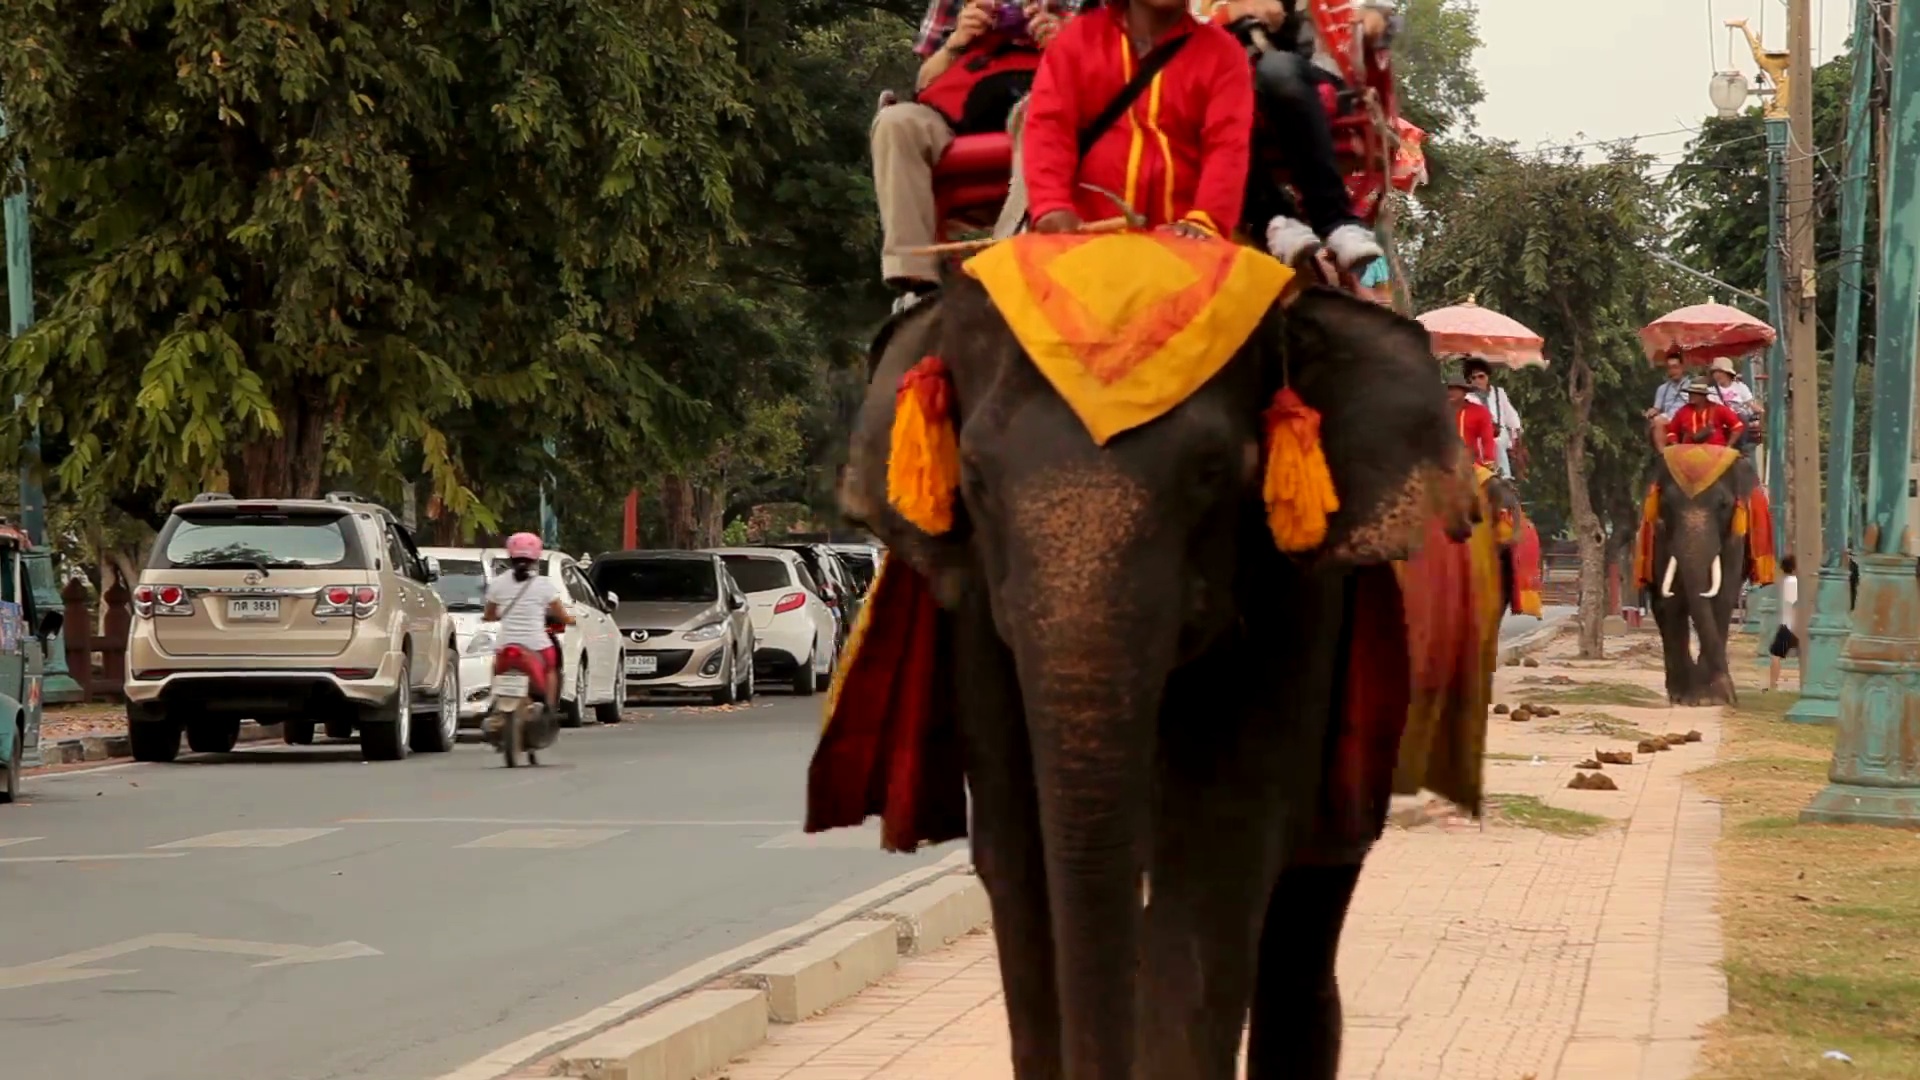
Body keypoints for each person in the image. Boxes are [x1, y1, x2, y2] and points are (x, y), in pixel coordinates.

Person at [872, 0, 1066, 304]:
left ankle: (1009, 254)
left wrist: (1068, 43)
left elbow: (1119, 72)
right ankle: (914, 271)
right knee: (896, 122)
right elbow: (926, 83)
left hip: (1046, 110)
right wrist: (955, 42)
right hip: (961, 112)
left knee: (1037, 111)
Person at [1021, 0, 1254, 239]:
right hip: (1086, 240)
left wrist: (1206, 220)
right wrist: (1052, 206)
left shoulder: (1224, 54)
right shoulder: (1077, 41)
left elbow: (1227, 148)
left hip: (1184, 245)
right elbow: (1049, 130)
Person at [1211, 0, 1388, 273]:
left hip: (1305, 76)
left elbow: (1374, 14)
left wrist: (1374, 18)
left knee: (1276, 71)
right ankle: (1272, 218)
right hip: (1228, 83)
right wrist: (1227, 15)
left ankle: (1335, 221)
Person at [482, 533, 574, 712]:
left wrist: (493, 617)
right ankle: (550, 707)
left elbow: (489, 614)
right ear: (536, 558)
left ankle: (494, 700)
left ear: (511, 556)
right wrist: (571, 620)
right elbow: (561, 615)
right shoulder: (544, 585)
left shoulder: (497, 583)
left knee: (495, 666)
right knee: (551, 667)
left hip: (506, 644)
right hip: (537, 644)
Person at [1464, 358, 1524, 479]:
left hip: (1499, 434)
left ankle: (1505, 478)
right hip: (1478, 437)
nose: (1477, 380)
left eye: (1481, 376)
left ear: (1487, 376)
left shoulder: (1499, 393)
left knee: (1496, 443)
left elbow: (1510, 415)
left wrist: (1517, 436)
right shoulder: (1467, 398)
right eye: (1473, 378)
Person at [1665, 377, 1746, 447]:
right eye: (1690, 393)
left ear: (1703, 396)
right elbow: (1672, 431)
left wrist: (1729, 446)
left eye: (1695, 393)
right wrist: (1675, 446)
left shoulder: (1718, 409)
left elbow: (1737, 426)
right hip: (1689, 453)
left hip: (1716, 452)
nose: (1691, 395)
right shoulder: (1683, 411)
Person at [1447, 377, 1496, 467]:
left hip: (1471, 464)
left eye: (1455, 389)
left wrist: (1488, 461)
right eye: (1449, 389)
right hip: (1442, 464)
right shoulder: (1438, 412)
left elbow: (1487, 439)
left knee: (1491, 480)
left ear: (1465, 392)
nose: (1450, 392)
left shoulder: (1480, 411)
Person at [1768, 555, 1800, 691]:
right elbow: (1793, 604)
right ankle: (1773, 683)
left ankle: (1773, 684)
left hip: (1788, 624)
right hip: (1791, 624)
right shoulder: (1793, 582)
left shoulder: (1788, 581)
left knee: (1776, 655)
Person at [1709, 356, 1761, 424]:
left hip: (1740, 420)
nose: (1717, 375)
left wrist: (1758, 410)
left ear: (1728, 373)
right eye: (1714, 372)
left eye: (1720, 372)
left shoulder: (1740, 387)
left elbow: (1750, 403)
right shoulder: (1711, 390)